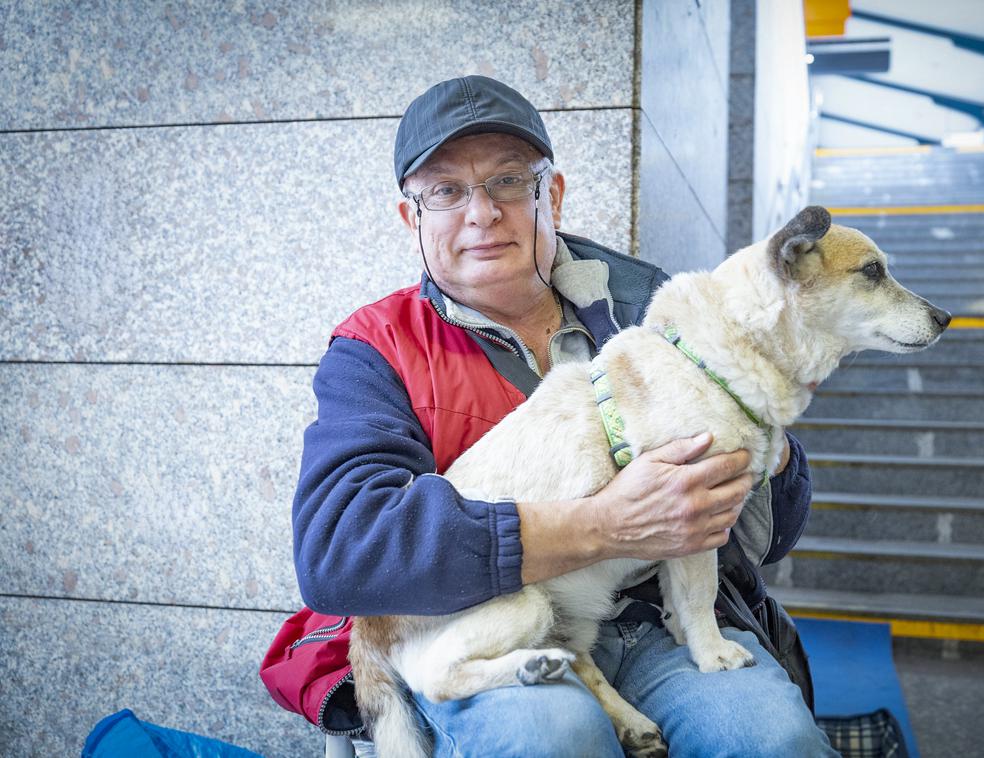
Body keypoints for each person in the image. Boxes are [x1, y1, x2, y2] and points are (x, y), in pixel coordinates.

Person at [289, 75, 837, 756]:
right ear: (413, 219)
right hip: (487, 618)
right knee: (555, 736)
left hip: (657, 617)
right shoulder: (376, 347)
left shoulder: (655, 307)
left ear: (553, 193)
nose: (481, 213)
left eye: (509, 181)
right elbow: (343, 550)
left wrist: (768, 451)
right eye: (447, 191)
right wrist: (604, 525)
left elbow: (766, 537)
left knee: (775, 741)